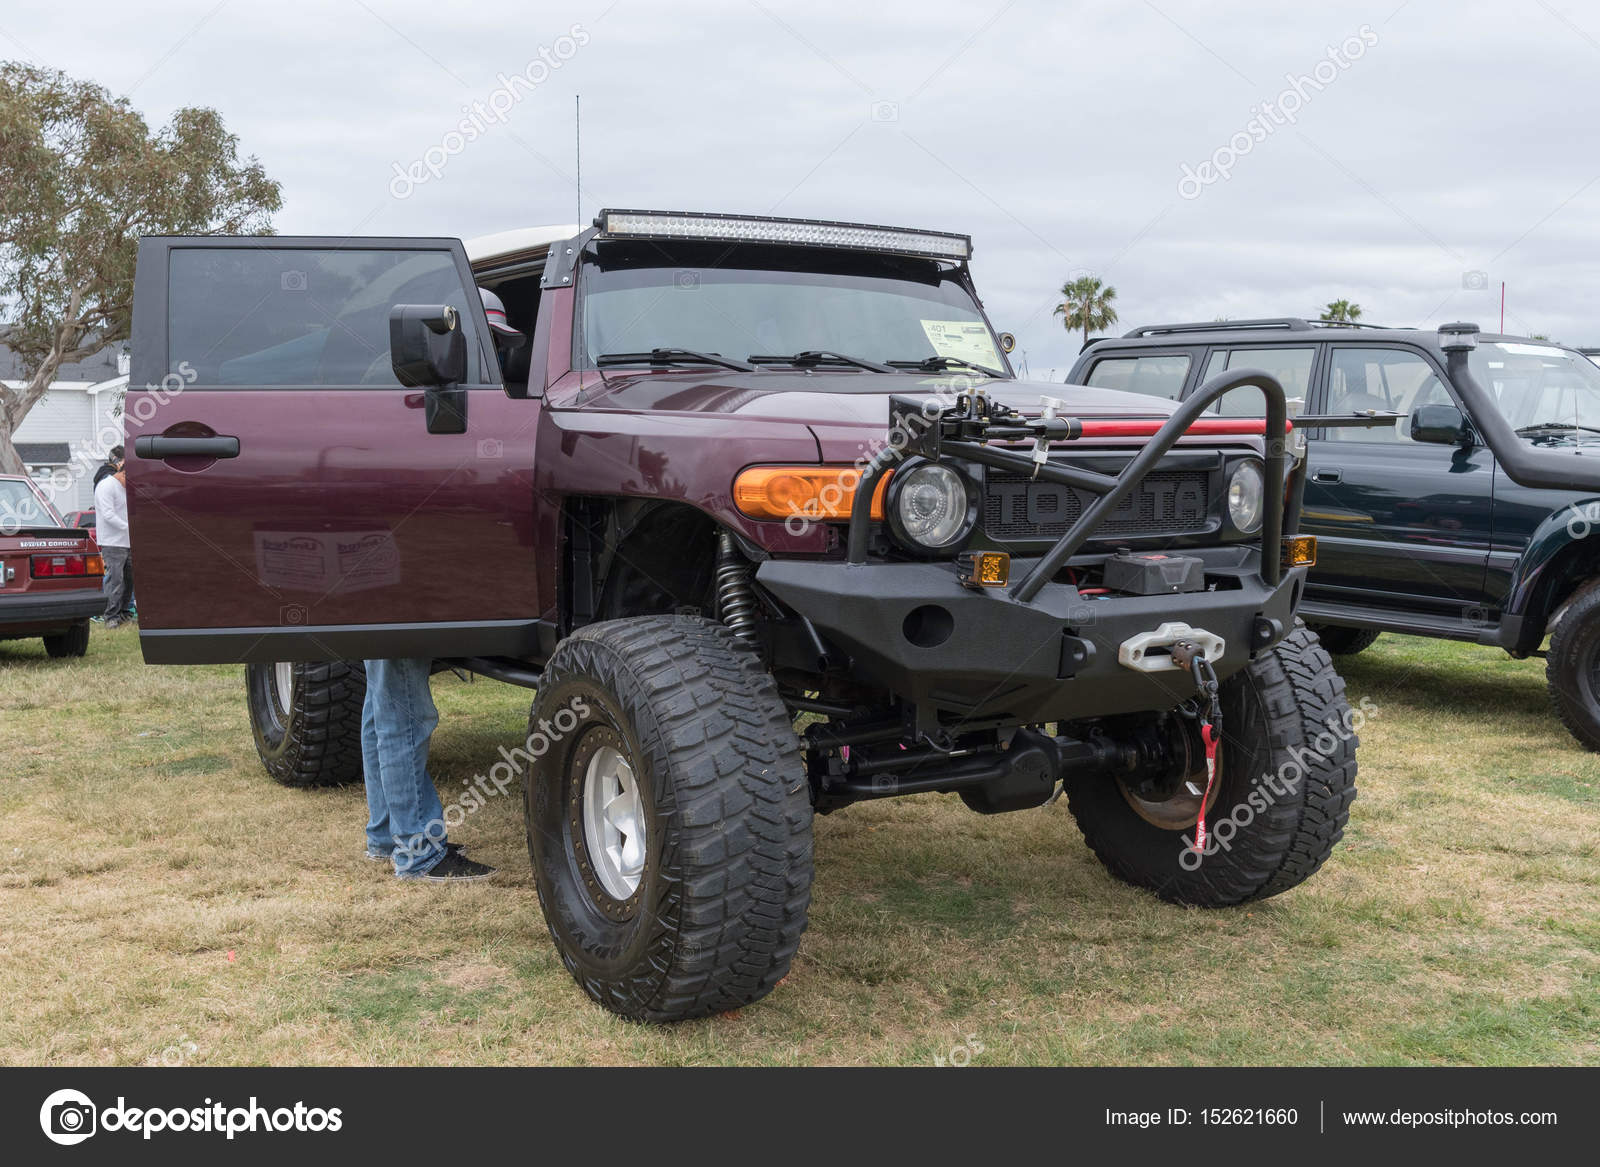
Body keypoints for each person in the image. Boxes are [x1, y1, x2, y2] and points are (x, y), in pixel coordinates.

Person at [358, 289, 525, 882]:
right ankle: (419, 853)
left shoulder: (401, 406)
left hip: (389, 565)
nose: (498, 364)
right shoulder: (429, 412)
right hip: (407, 570)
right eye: (488, 351)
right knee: (404, 709)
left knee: (385, 705)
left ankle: (387, 836)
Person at [92, 455, 133, 628]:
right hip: (112, 541)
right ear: (123, 474)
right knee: (115, 580)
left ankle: (123, 612)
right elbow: (108, 515)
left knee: (129, 580)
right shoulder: (106, 486)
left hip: (128, 541)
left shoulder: (125, 487)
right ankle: (111, 616)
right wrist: (130, 527)